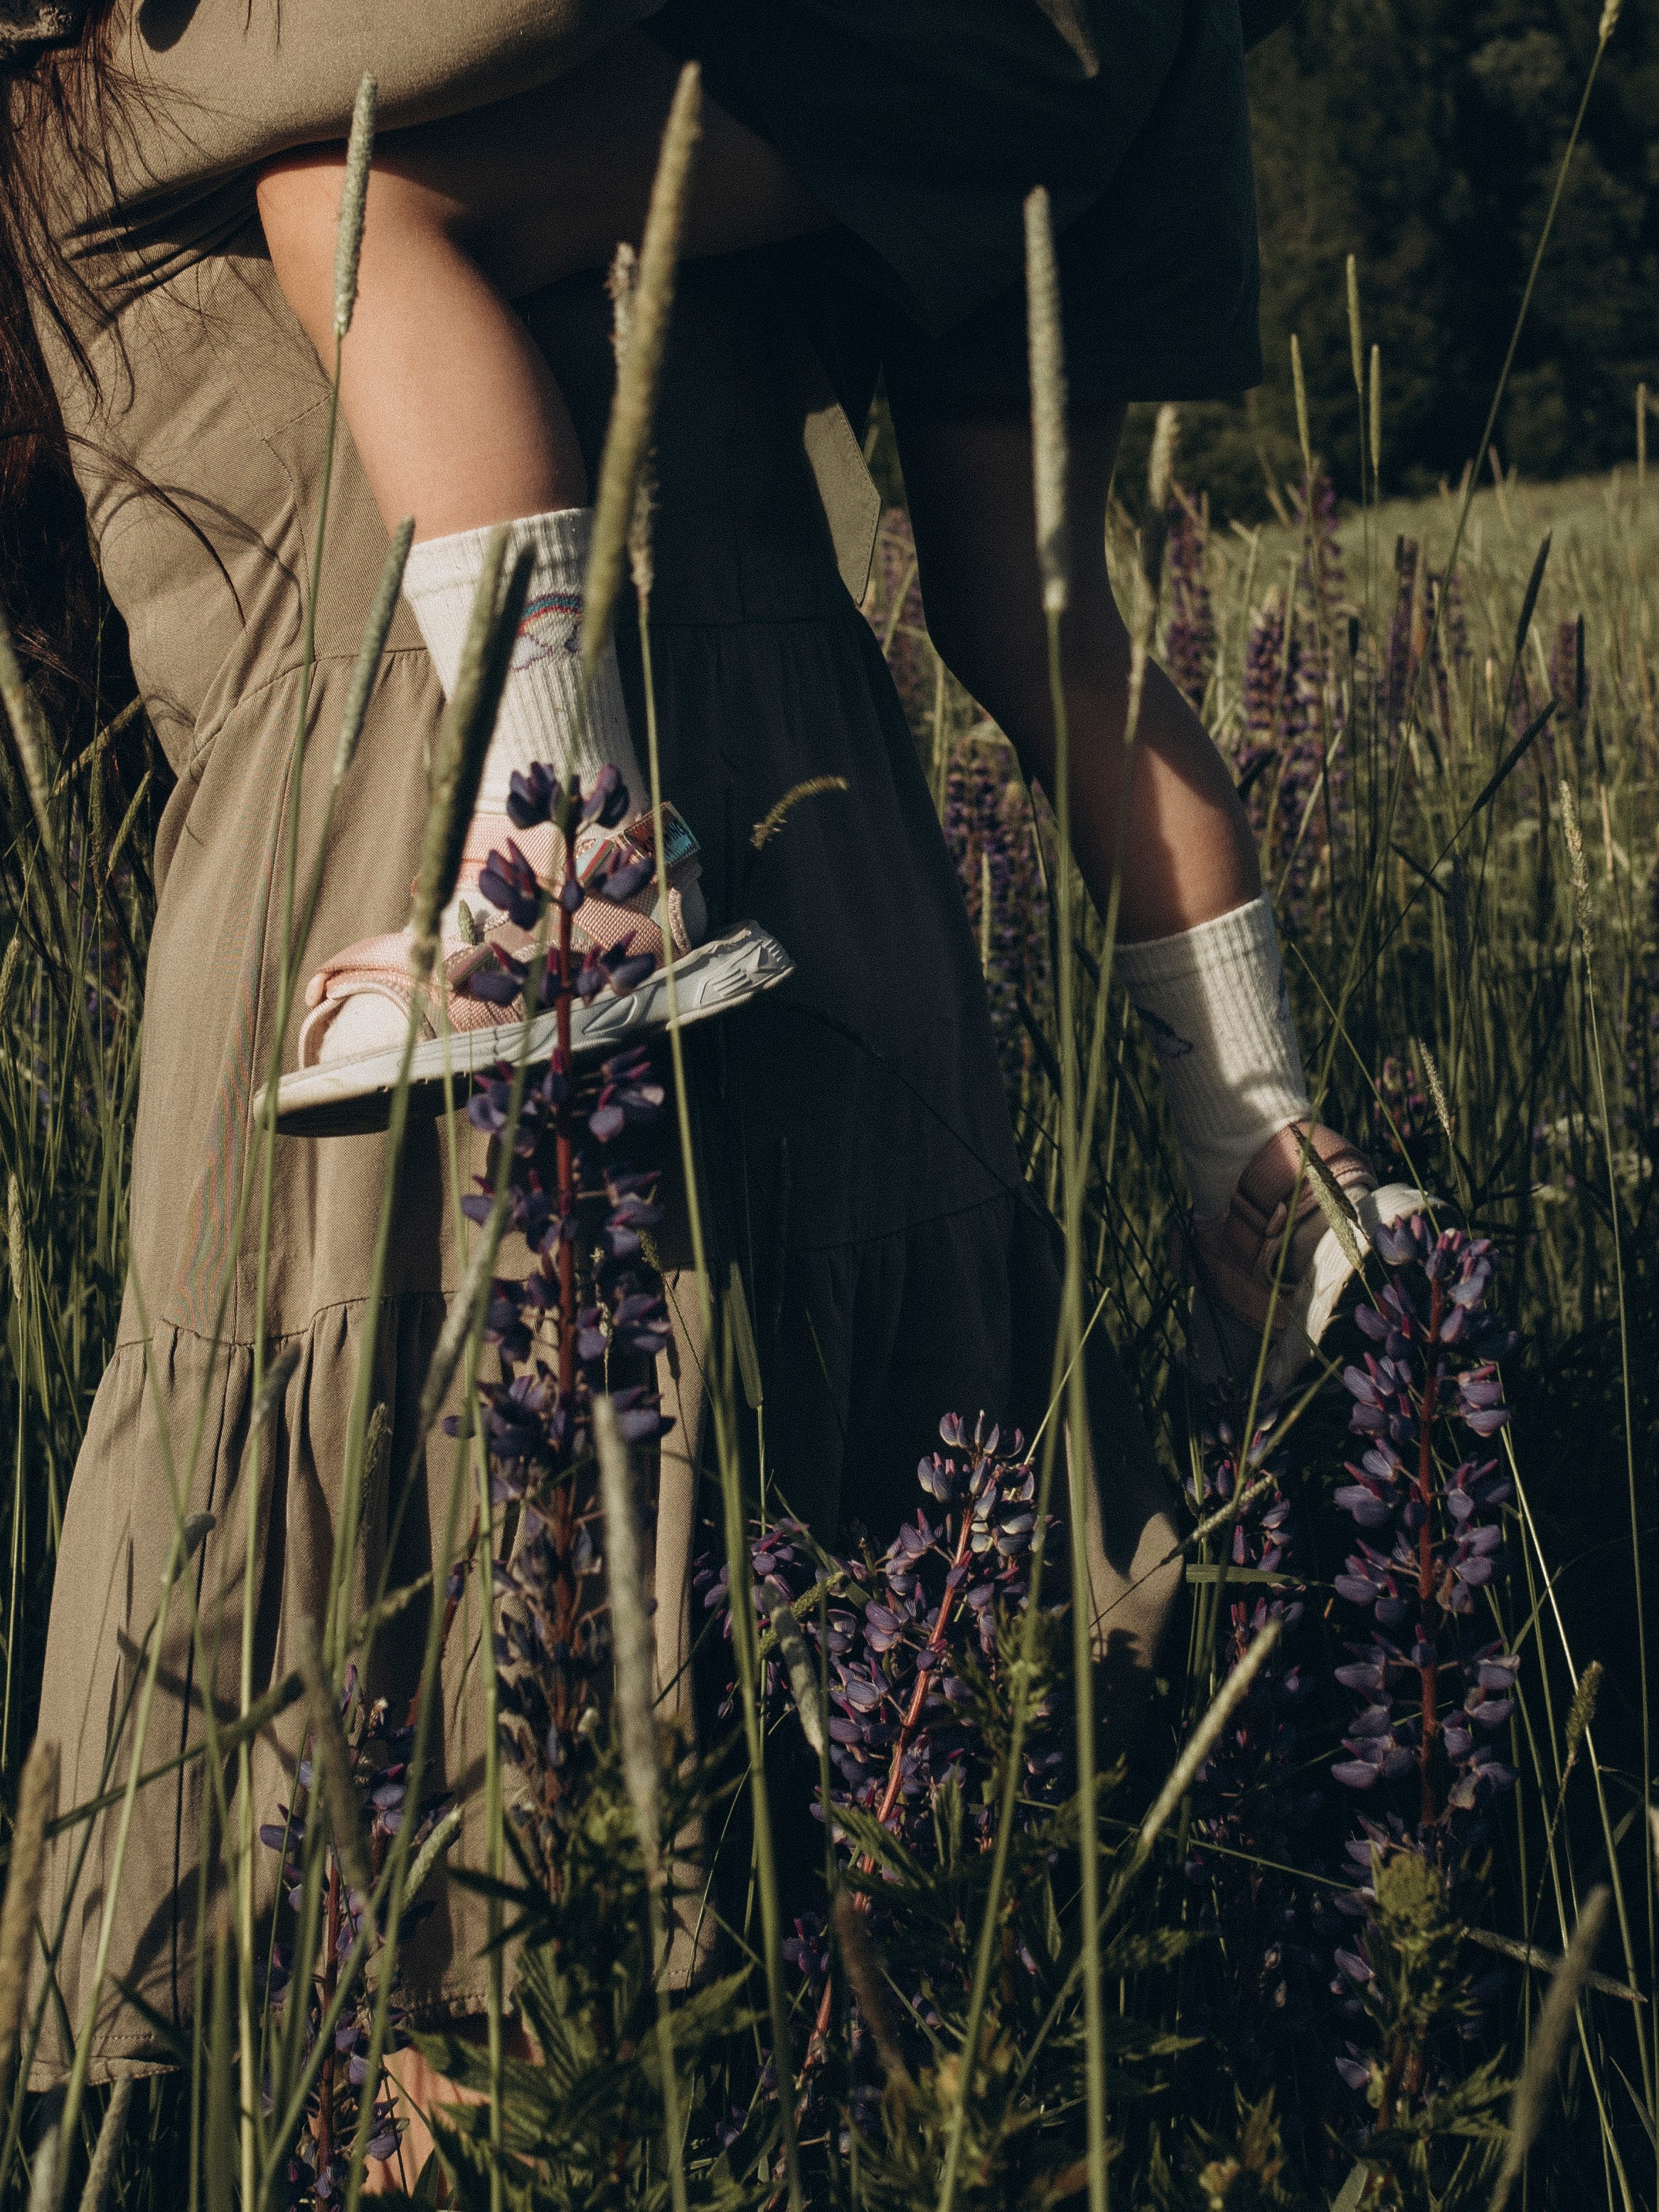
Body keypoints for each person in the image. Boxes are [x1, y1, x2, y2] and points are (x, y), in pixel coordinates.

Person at [0, 0, 1178, 2174]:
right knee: (462, 1885)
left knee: (894, 1928)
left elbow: (1046, 568)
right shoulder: (146, 73)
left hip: (802, 926)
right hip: (403, 992)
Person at [254, 0, 1415, 1382]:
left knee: (353, 191)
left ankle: (565, 846)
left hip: (974, 42)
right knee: (1045, 619)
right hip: (1151, 62)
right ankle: (1270, 1169)